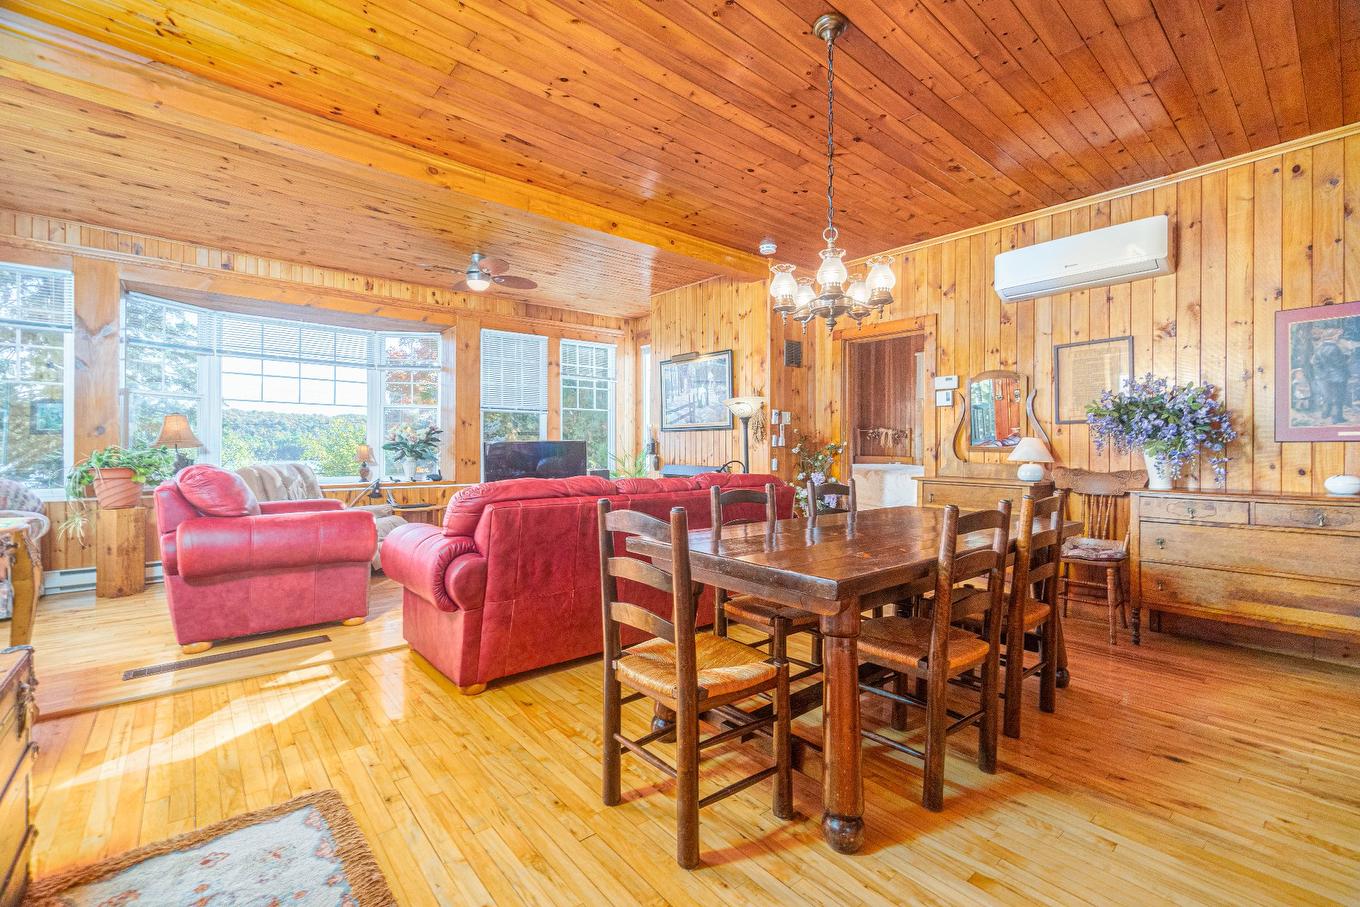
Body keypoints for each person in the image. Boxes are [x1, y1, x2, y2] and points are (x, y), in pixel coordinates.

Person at [1310, 327, 1350, 423]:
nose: (1338, 338)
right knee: (1338, 398)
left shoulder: (1319, 348)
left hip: (1324, 377)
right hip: (1338, 377)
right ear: (1333, 337)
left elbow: (1315, 362)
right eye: (1337, 336)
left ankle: (1325, 414)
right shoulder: (1334, 348)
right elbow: (1339, 363)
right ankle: (1337, 418)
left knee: (1327, 396)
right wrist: (1347, 358)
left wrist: (1322, 373)